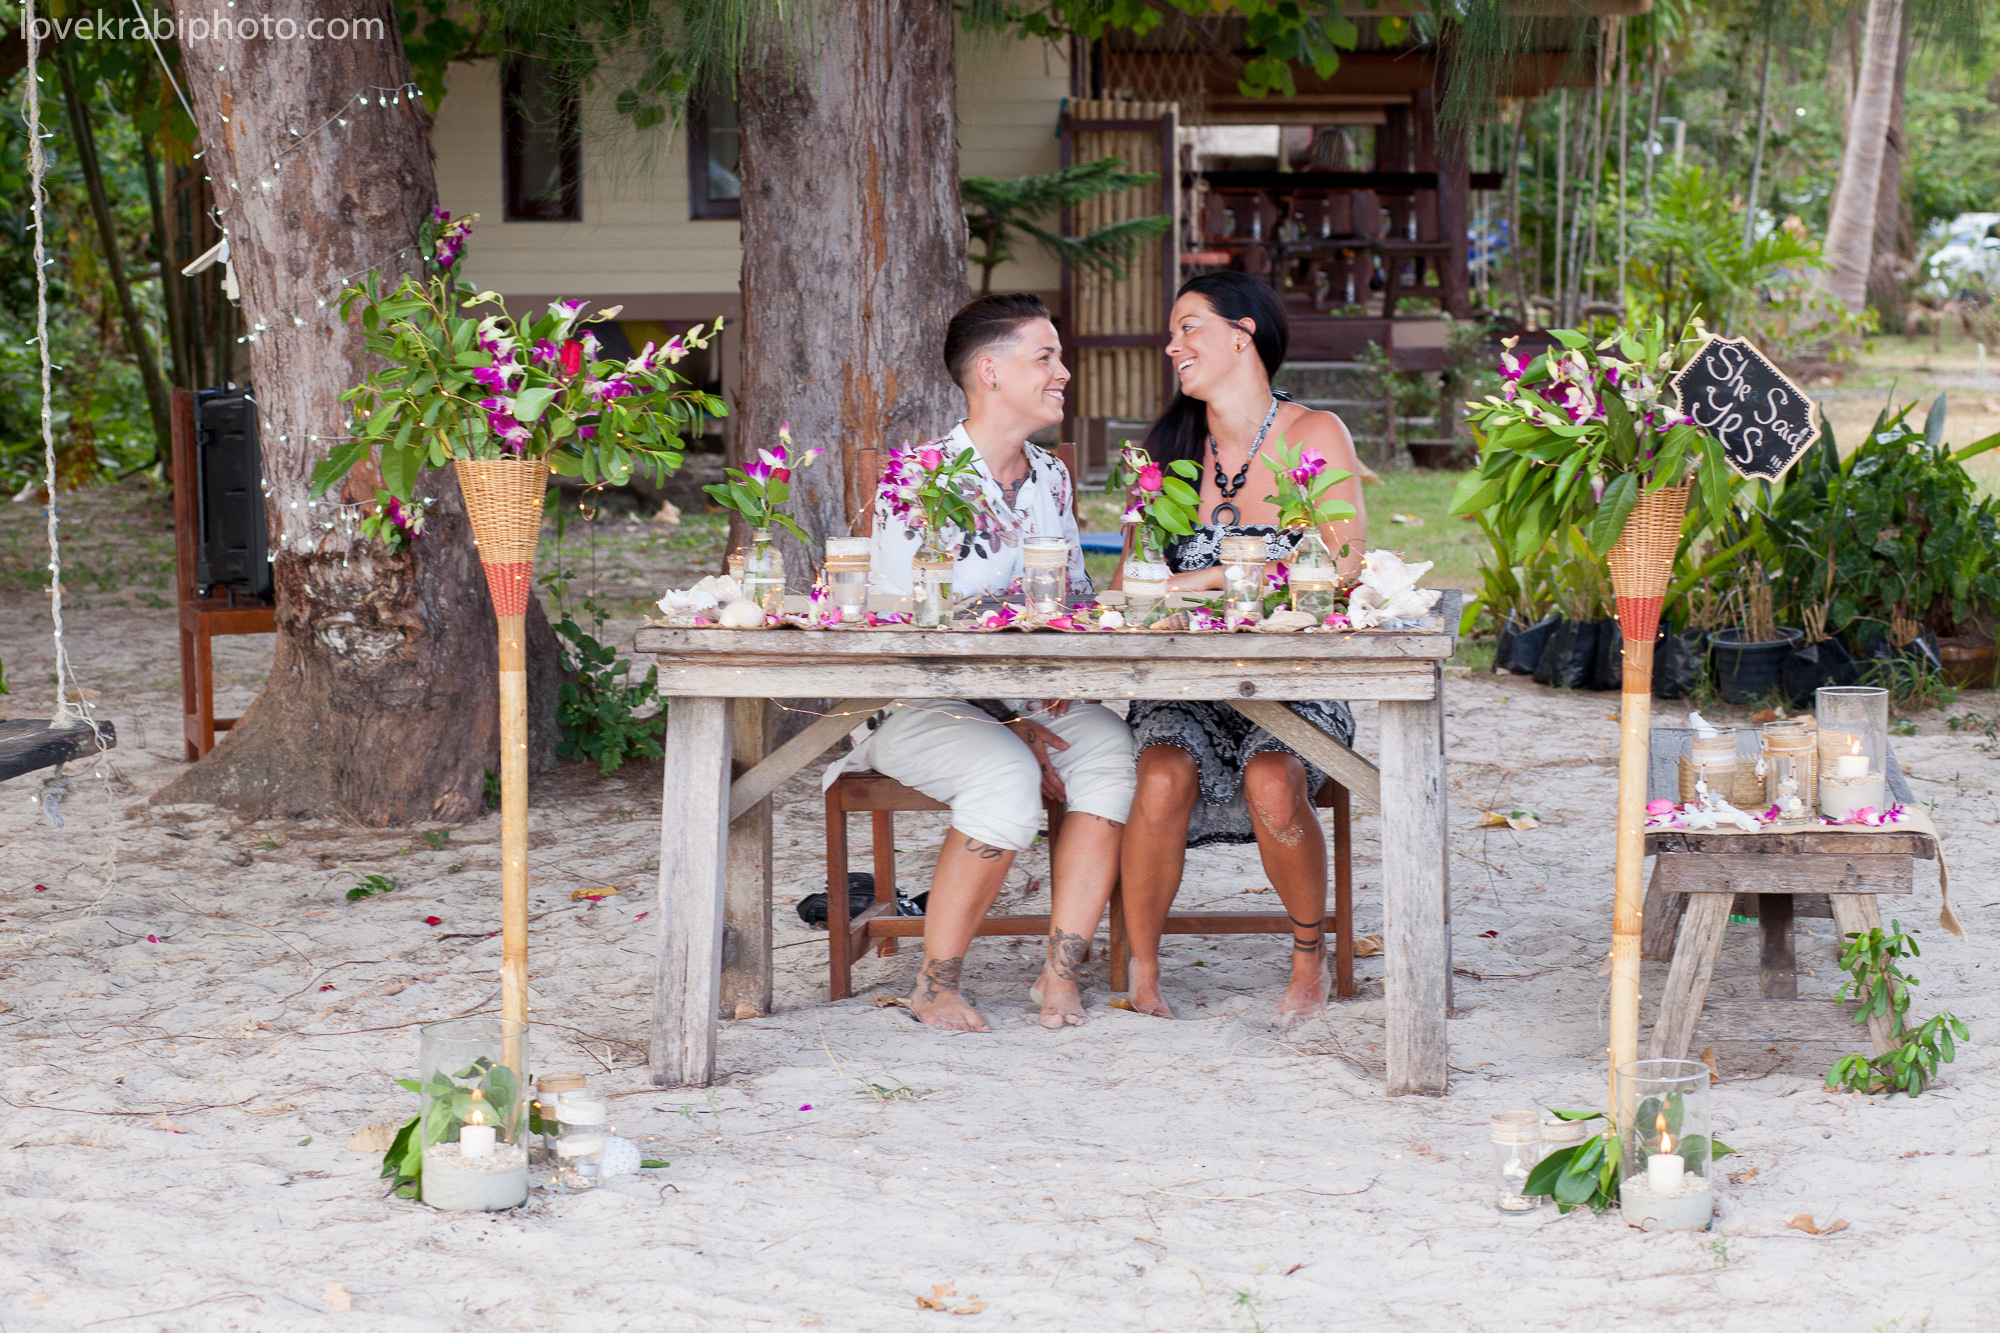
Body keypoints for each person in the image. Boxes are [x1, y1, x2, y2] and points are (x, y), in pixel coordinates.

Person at [823, 293, 1136, 1032]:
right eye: (1046, 356)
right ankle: (934, 984)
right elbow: (899, 628)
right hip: (917, 704)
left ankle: (1059, 976)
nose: (1063, 371)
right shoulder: (919, 477)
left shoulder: (1051, 477)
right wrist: (1011, 718)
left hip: (1028, 701)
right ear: (990, 371)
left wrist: (1048, 692)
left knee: (1110, 750)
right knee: (1005, 771)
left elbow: (1070, 603)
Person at [1114, 271, 1368, 1022]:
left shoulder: (1313, 434)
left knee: (1272, 775)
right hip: (1184, 680)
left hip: (1295, 676)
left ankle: (1305, 957)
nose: (1173, 345)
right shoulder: (1163, 451)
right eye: (1173, 332)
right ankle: (1145, 965)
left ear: (1242, 332)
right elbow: (1137, 577)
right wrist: (1170, 595)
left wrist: (1199, 581)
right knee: (1160, 773)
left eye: (1188, 326)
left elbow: (1346, 561)